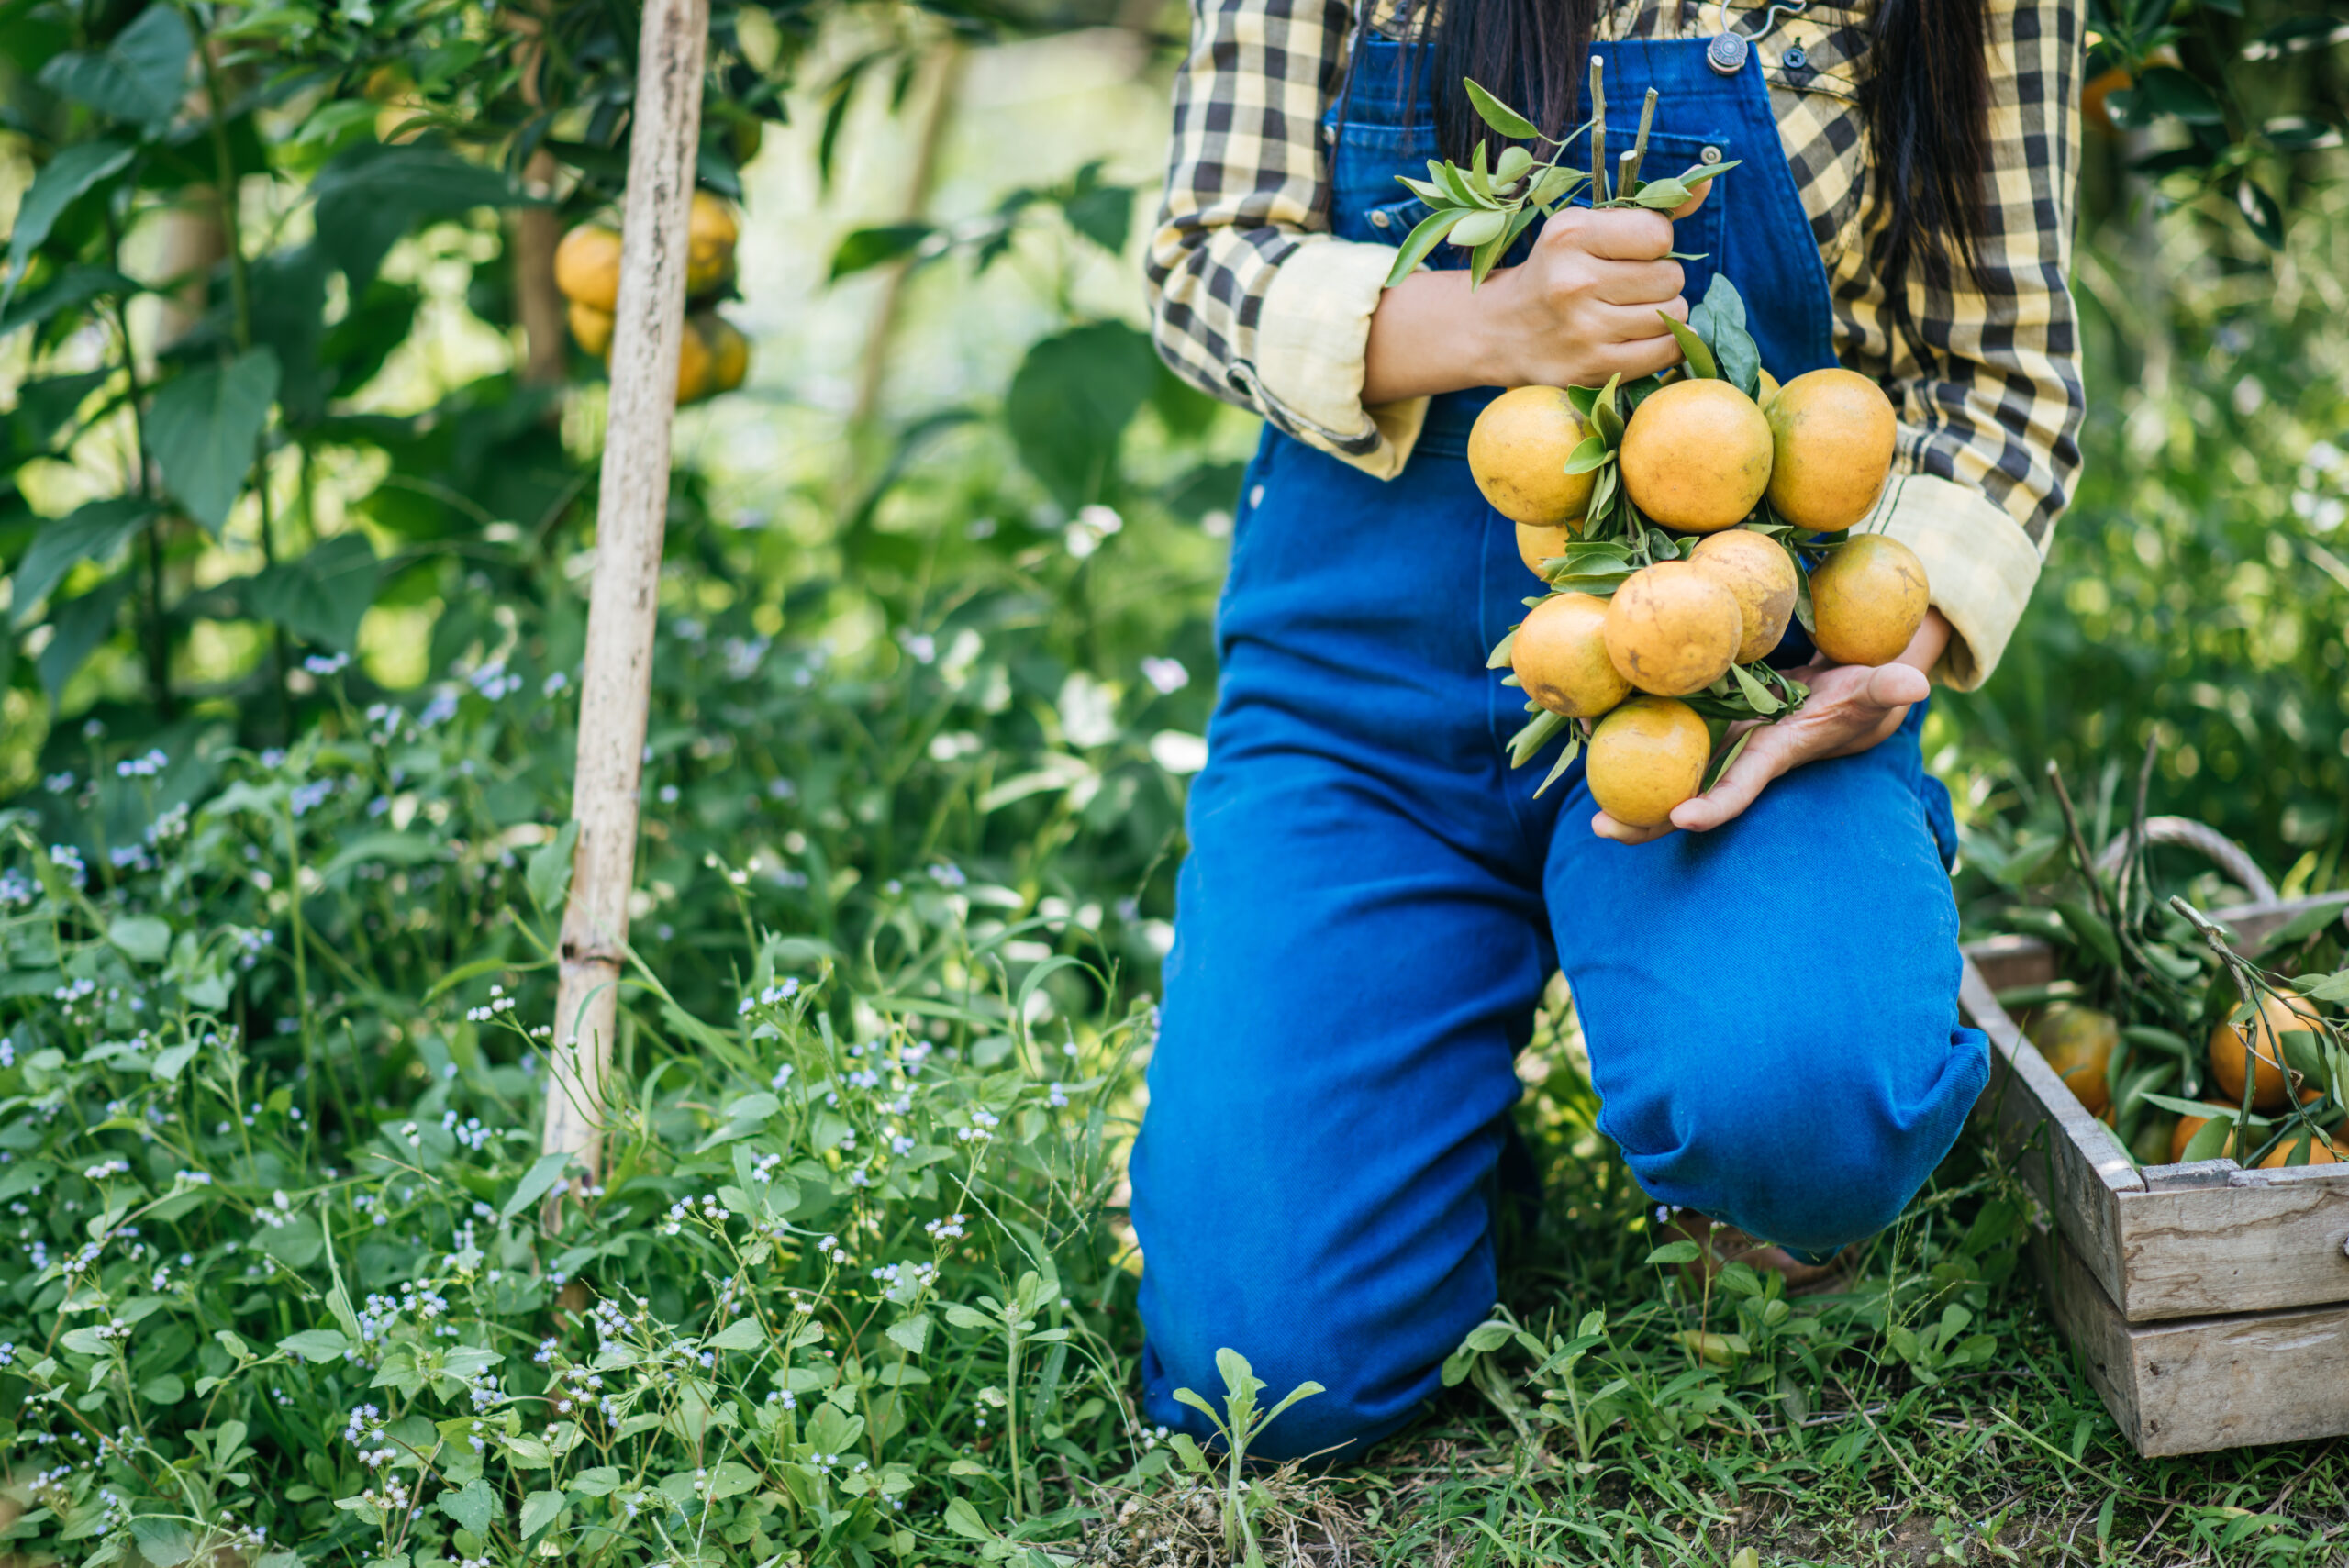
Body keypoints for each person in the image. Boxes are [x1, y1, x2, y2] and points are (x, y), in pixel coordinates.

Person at [1131, 0, 2085, 1459]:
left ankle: (1749, 1062)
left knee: (1809, 1107)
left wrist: (1887, 650)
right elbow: (1203, 257)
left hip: (1731, 687)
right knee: (1264, 1377)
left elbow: (2002, 378)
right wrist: (1491, 321)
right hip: (1363, 693)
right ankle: (1422, 1112)